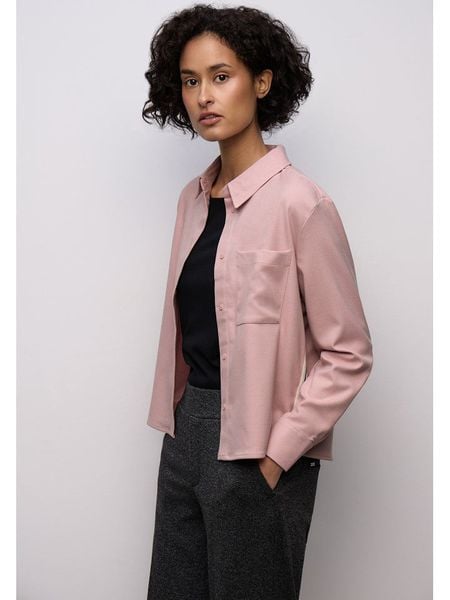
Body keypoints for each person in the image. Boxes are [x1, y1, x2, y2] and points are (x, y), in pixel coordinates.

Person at [141, 4, 373, 599]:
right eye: (190, 81)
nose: (203, 96)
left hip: (260, 447)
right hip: (185, 435)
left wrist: (278, 454)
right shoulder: (191, 200)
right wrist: (181, 430)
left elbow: (348, 352)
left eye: (221, 76)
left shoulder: (302, 205)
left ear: (262, 82)